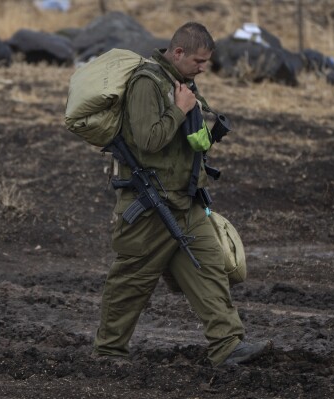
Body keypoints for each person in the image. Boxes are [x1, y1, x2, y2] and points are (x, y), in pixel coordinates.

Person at [92, 22, 273, 367]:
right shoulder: (147, 82)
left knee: (210, 268)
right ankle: (108, 352)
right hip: (149, 206)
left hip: (186, 200)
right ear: (178, 53)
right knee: (131, 283)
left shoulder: (182, 83)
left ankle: (227, 345)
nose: (204, 68)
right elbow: (148, 141)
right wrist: (180, 109)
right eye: (199, 61)